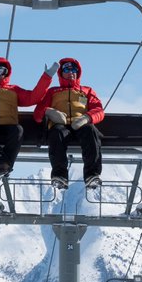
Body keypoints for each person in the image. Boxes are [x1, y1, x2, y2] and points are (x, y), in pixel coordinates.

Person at [33, 56, 104, 190]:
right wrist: (50, 112)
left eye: (74, 69)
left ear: (78, 72)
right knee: (57, 133)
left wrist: (87, 118)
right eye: (66, 69)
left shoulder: (87, 91)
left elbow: (98, 110)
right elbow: (38, 114)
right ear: (61, 73)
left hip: (80, 124)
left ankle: (92, 174)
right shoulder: (52, 92)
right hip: (61, 125)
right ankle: (59, 175)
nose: (71, 72)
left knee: (91, 131)